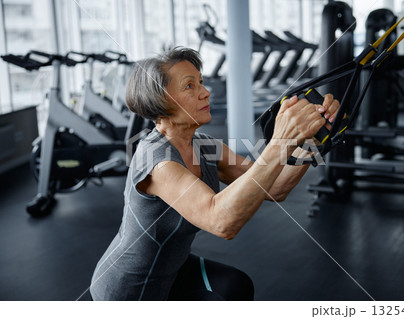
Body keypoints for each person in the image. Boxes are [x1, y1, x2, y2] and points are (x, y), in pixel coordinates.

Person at [90, 47, 341, 301]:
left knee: (236, 287)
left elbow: (274, 188)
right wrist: (279, 143)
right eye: (190, 86)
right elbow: (221, 222)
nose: (205, 92)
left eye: (201, 82)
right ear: (161, 99)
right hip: (126, 291)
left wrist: (312, 142)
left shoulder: (205, 146)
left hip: (172, 271)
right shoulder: (156, 161)